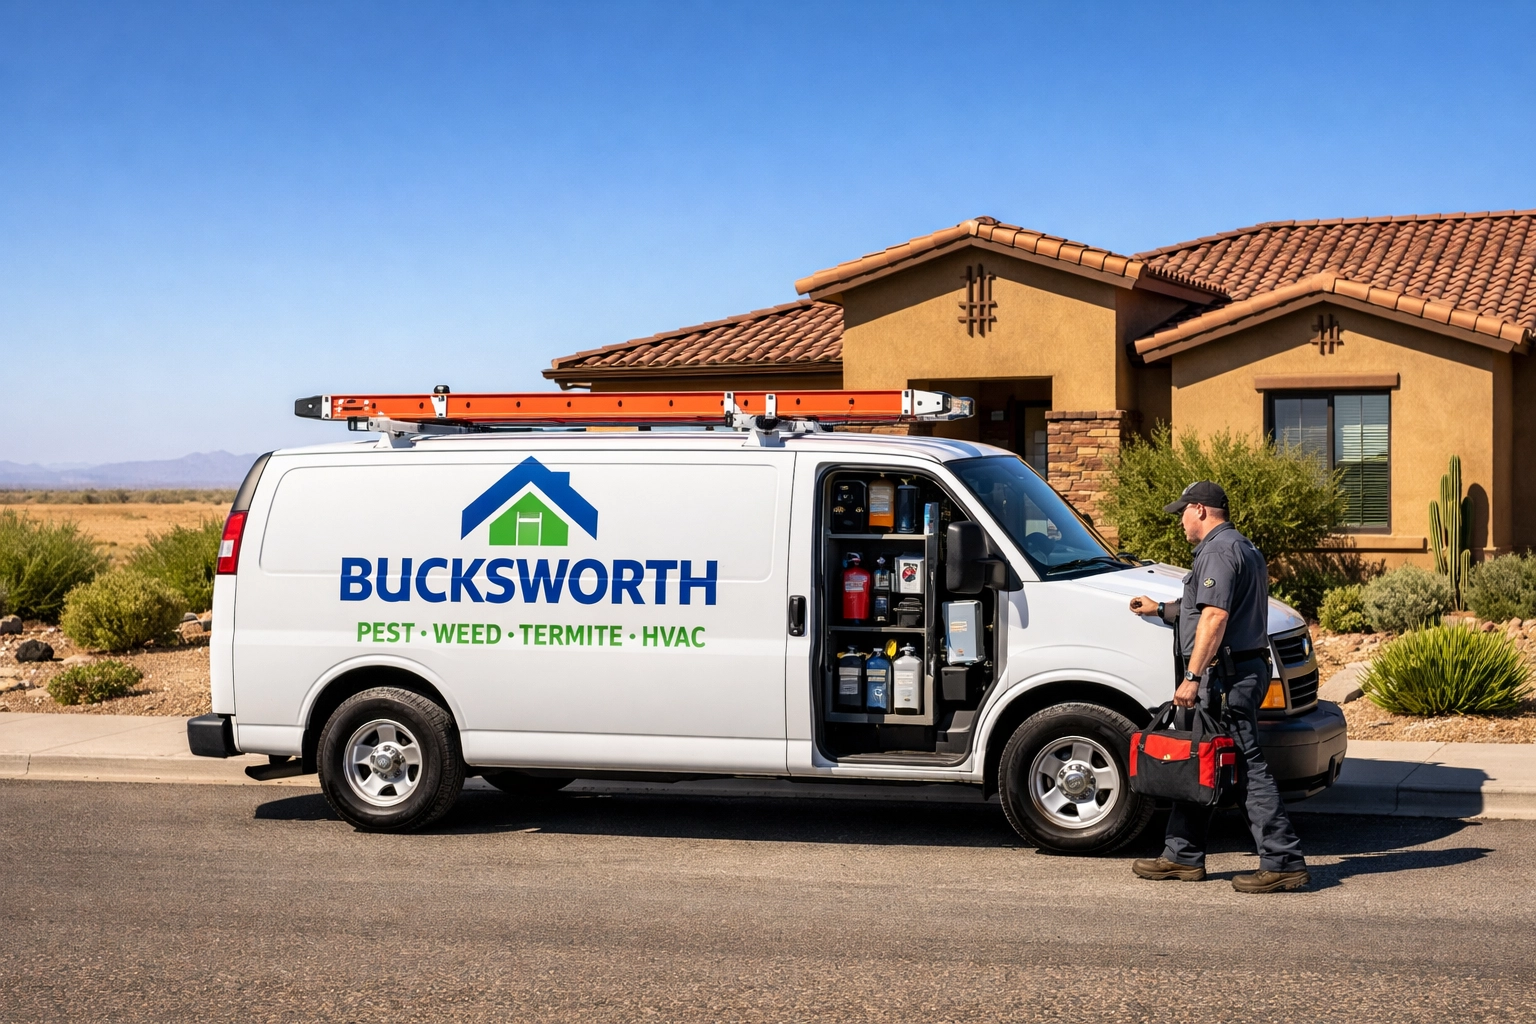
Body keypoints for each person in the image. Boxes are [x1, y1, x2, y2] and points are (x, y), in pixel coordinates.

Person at [1125, 481, 1310, 894]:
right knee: (1202, 756)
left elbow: (1214, 618)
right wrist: (1161, 609)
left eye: (1183, 514)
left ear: (1201, 510)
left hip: (1227, 678)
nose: (1181, 522)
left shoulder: (1218, 551)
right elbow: (1199, 610)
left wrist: (1191, 678)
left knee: (1245, 765)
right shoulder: (1239, 546)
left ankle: (1283, 861)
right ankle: (1181, 856)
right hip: (1237, 670)